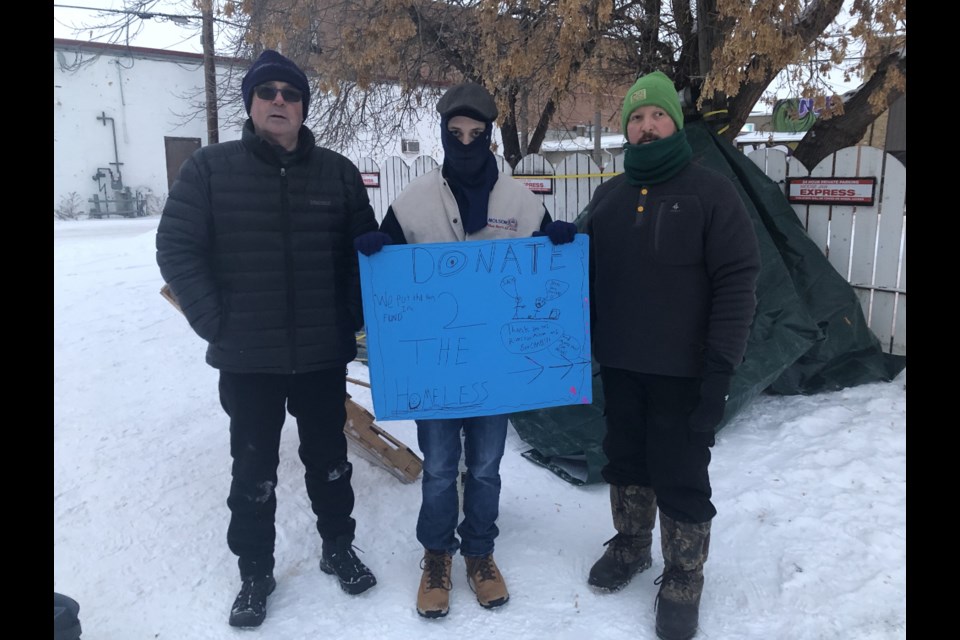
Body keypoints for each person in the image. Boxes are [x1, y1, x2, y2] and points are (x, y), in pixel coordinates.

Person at [156, 49, 385, 629]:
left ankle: (338, 547)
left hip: (319, 354)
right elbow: (176, 248)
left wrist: (348, 316)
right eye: (267, 93)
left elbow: (366, 254)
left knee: (329, 460)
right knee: (252, 468)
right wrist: (215, 321)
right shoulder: (209, 170)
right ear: (251, 104)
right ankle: (255, 570)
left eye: (290, 93)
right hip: (248, 358)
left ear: (303, 107)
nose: (278, 101)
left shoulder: (336, 173)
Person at [354, 81, 578, 619]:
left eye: (477, 135)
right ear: (442, 136)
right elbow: (391, 284)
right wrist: (378, 253)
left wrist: (558, 245)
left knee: (484, 466)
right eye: (455, 134)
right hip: (435, 369)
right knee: (438, 467)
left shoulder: (518, 202)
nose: (466, 142)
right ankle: (437, 554)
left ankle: (480, 550)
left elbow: (545, 273)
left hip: (495, 368)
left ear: (492, 139)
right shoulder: (412, 202)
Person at [582, 71, 761, 640]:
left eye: (656, 114)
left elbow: (738, 282)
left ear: (674, 122)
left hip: (685, 373)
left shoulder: (711, 193)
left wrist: (719, 374)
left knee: (681, 473)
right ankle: (632, 544)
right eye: (635, 118)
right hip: (622, 366)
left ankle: (684, 574)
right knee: (625, 460)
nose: (646, 125)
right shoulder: (608, 197)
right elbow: (576, 272)